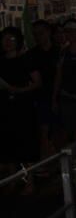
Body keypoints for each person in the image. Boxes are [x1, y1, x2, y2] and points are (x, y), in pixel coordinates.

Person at [0, 27, 41, 188]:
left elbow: (37, 82)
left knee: (25, 144)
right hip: (4, 107)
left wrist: (18, 90)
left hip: (22, 107)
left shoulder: (26, 59)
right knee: (8, 145)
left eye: (11, 39)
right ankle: (12, 181)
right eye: (4, 39)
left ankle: (29, 181)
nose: (7, 43)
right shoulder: (1, 60)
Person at [26, 20, 62, 157]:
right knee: (43, 132)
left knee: (59, 131)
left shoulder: (59, 52)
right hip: (41, 97)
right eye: (35, 34)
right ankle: (47, 162)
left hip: (59, 95)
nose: (38, 36)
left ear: (48, 32)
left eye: (40, 33)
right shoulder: (32, 54)